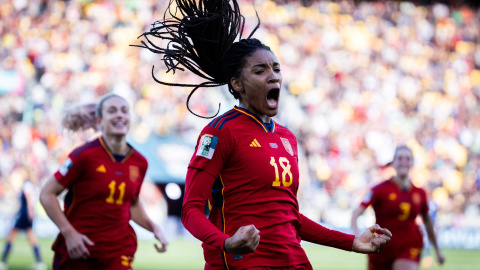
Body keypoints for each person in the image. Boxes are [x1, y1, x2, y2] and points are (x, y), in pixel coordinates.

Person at [136, 1, 392, 269]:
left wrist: (351, 242)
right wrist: (226, 242)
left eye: (276, 69)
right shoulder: (220, 132)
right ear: (237, 83)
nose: (274, 77)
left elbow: (290, 218)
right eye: (260, 71)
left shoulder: (287, 138)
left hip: (294, 261)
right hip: (244, 264)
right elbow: (190, 210)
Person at [39, 93, 168, 270]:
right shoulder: (83, 155)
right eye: (112, 111)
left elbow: (132, 203)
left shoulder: (140, 162)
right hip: (78, 251)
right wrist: (69, 233)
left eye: (124, 111)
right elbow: (47, 194)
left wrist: (154, 228)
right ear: (99, 120)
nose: (120, 115)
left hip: (117, 253)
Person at [351, 145, 445, 270]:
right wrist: (357, 236)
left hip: (409, 245)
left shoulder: (420, 193)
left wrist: (437, 249)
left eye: (407, 158)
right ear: (393, 163)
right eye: (400, 158)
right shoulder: (379, 189)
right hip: (381, 247)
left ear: (412, 163)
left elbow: (427, 222)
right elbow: (356, 214)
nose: (404, 162)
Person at [0, 167, 46, 270]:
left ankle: (3, 261)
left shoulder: (26, 184)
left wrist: (30, 212)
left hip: (24, 214)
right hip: (25, 213)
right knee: (31, 237)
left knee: (11, 236)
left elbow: (29, 199)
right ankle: (39, 262)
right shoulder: (29, 184)